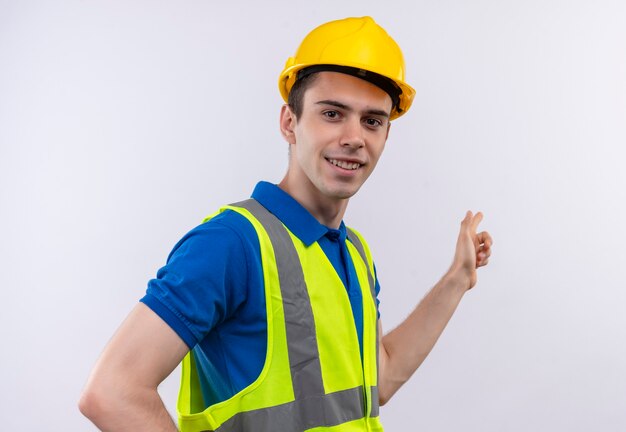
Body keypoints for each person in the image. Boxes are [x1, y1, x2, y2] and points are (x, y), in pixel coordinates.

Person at [79, 16, 493, 432]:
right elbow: (113, 391)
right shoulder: (233, 242)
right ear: (289, 123)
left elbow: (379, 380)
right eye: (332, 113)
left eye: (373, 121)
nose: (354, 137)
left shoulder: (354, 252)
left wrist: (457, 279)